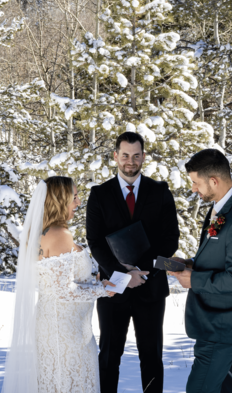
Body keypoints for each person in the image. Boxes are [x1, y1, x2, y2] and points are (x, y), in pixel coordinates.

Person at [2, 176, 117, 393]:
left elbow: (54, 281)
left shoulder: (37, 232)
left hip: (55, 323)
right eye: (74, 197)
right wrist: (103, 290)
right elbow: (64, 291)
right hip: (65, 329)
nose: (79, 202)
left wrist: (94, 282)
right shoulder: (60, 234)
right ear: (59, 200)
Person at [86, 132, 180, 393]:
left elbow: (171, 238)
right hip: (113, 287)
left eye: (136, 156)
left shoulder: (160, 192)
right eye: (125, 155)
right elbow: (95, 242)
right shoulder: (99, 194)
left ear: (143, 157)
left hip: (151, 287)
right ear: (116, 156)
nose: (131, 161)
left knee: (152, 358)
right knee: (108, 357)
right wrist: (123, 274)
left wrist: (141, 270)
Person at [169, 149, 232, 393]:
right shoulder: (223, 208)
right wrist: (191, 264)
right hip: (222, 322)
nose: (193, 188)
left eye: (196, 182)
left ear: (214, 181)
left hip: (223, 325)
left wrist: (195, 280)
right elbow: (221, 255)